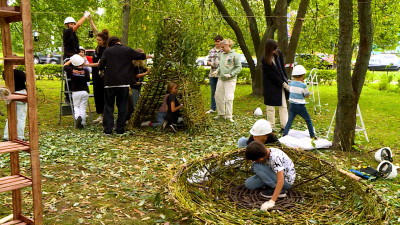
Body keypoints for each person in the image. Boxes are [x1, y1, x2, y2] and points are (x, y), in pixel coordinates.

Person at [98, 36, 152, 135]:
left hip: (109, 83)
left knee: (108, 107)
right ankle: (120, 129)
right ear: (119, 42)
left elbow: (101, 66)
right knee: (122, 107)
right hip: (123, 84)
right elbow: (141, 56)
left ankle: (108, 130)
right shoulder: (127, 50)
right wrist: (151, 56)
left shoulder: (107, 51)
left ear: (110, 43)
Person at [245, 141, 296, 211]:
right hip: (273, 175)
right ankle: (271, 184)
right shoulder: (264, 151)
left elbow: (281, 179)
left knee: (256, 166)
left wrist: (272, 201)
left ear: (260, 159)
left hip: (286, 181)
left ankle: (279, 190)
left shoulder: (275, 158)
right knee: (248, 184)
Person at [262, 39, 289, 132]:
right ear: (269, 50)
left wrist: (285, 80)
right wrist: (282, 83)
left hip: (281, 83)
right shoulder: (264, 59)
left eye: (276, 49)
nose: (275, 51)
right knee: (270, 107)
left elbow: (282, 68)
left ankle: (285, 126)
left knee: (283, 105)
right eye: (273, 49)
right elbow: (271, 75)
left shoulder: (278, 54)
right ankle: (271, 128)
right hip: (270, 84)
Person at [282, 65, 316, 138]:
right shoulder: (303, 85)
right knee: (308, 120)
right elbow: (306, 95)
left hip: (292, 106)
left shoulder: (291, 83)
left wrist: (285, 85)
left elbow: (288, 89)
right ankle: (312, 135)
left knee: (289, 121)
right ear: (303, 75)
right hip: (300, 107)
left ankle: (284, 135)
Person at [214, 39, 242, 122]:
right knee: (218, 96)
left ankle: (229, 116)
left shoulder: (235, 55)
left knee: (229, 97)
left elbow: (239, 67)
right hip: (221, 79)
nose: (221, 49)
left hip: (230, 80)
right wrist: (217, 71)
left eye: (223, 47)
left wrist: (231, 74)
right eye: (220, 47)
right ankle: (221, 114)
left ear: (228, 46)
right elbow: (221, 65)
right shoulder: (222, 55)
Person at [63, 54, 90, 129]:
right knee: (83, 107)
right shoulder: (86, 71)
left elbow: (65, 66)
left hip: (75, 91)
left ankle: (78, 117)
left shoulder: (71, 70)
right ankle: (83, 123)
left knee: (76, 106)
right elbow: (88, 79)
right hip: (84, 91)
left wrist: (70, 60)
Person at [3, 65, 27, 140]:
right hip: (20, 94)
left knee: (10, 116)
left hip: (9, 94)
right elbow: (27, 80)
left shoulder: (4, 72)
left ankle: (6, 136)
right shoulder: (20, 73)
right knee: (21, 117)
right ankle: (20, 136)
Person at [91, 29, 109, 123]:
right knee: (97, 94)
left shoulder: (106, 50)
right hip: (95, 75)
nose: (97, 41)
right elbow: (95, 30)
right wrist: (90, 20)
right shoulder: (98, 48)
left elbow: (99, 64)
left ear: (105, 40)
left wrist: (85, 65)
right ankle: (101, 114)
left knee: (103, 95)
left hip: (103, 76)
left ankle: (105, 115)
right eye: (97, 39)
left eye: (99, 40)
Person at [128, 48, 151, 120]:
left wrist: (150, 71)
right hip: (134, 85)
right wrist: (146, 73)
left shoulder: (140, 65)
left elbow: (145, 71)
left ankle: (136, 117)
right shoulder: (133, 65)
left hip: (139, 85)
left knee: (138, 100)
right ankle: (133, 118)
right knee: (135, 102)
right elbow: (136, 75)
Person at [206, 35, 223, 114]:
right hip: (212, 75)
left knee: (221, 92)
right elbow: (207, 62)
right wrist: (211, 63)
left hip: (221, 75)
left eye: (219, 41)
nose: (217, 43)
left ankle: (221, 109)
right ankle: (213, 108)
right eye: (216, 41)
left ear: (221, 42)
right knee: (213, 92)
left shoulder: (223, 51)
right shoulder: (211, 51)